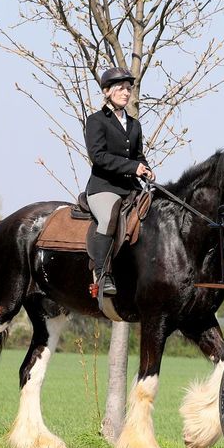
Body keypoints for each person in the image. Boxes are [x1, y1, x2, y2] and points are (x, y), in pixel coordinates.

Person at [83, 66, 153, 296]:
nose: (126, 92)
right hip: (104, 188)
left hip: (131, 188)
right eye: (121, 88)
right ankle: (102, 275)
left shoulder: (134, 124)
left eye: (128, 88)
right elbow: (99, 157)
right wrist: (133, 167)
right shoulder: (95, 121)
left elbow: (137, 155)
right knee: (108, 218)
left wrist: (146, 169)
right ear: (107, 92)